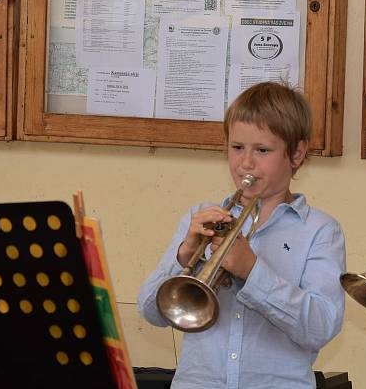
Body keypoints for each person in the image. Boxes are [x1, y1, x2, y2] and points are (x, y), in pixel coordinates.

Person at [138, 82, 346, 389]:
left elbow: (320, 326)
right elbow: (150, 311)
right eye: (237, 148)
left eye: (262, 150)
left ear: (297, 153)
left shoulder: (320, 231)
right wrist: (184, 254)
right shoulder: (201, 217)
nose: (246, 163)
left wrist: (252, 271)